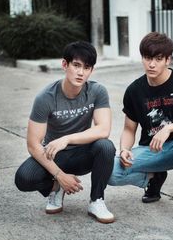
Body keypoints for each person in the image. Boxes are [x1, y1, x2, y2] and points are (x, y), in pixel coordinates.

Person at [108, 32, 173, 225]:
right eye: (148, 58)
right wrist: (124, 149)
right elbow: (129, 129)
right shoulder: (134, 90)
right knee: (109, 172)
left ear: (168, 59)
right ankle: (153, 178)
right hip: (152, 151)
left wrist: (169, 128)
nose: (152, 64)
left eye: (158, 59)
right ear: (142, 59)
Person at [15, 41, 116, 224]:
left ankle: (97, 201)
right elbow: (33, 144)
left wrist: (67, 139)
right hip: (55, 155)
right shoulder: (45, 98)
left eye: (86, 67)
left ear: (91, 70)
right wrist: (59, 176)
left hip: (83, 154)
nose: (81, 72)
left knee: (106, 146)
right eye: (76, 65)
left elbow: (103, 129)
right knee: (24, 178)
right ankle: (55, 188)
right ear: (64, 65)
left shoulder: (97, 91)